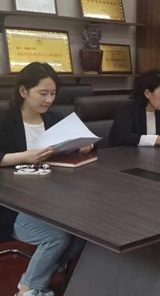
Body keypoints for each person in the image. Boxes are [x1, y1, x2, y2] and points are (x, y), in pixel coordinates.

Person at [0, 62, 89, 296]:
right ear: (23, 91)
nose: (48, 99)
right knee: (56, 237)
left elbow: (65, 150)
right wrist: (26, 156)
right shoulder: (5, 121)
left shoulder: (54, 119)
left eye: (53, 93)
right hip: (14, 205)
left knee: (86, 231)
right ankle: (27, 288)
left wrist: (81, 146)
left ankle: (46, 271)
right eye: (43, 93)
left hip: (53, 199)